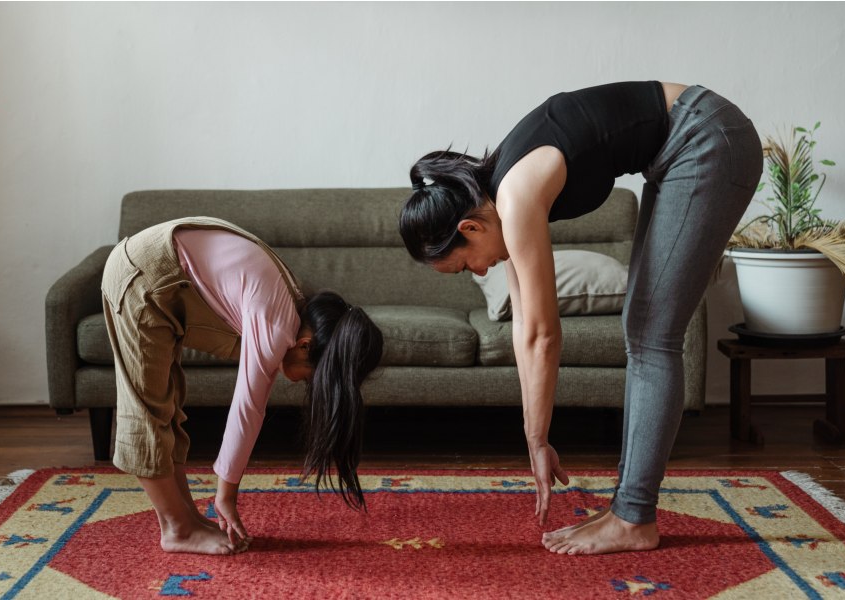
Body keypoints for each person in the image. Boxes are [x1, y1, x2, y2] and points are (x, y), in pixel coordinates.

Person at [399, 82, 762, 555]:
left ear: (470, 228)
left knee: (652, 336)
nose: (480, 270)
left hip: (707, 136)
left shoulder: (516, 196)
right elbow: (524, 326)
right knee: (644, 329)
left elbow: (545, 335)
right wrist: (535, 436)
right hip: (684, 146)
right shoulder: (501, 195)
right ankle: (629, 512)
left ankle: (634, 519)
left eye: (468, 263)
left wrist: (537, 438)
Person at [101, 216, 383, 555]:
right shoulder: (277, 325)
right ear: (305, 345)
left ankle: (185, 518)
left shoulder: (290, 308)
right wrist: (226, 497)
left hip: (157, 277)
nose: (306, 383)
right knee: (147, 413)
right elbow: (248, 409)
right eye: (313, 375)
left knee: (167, 410)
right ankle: (178, 529)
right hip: (143, 276)